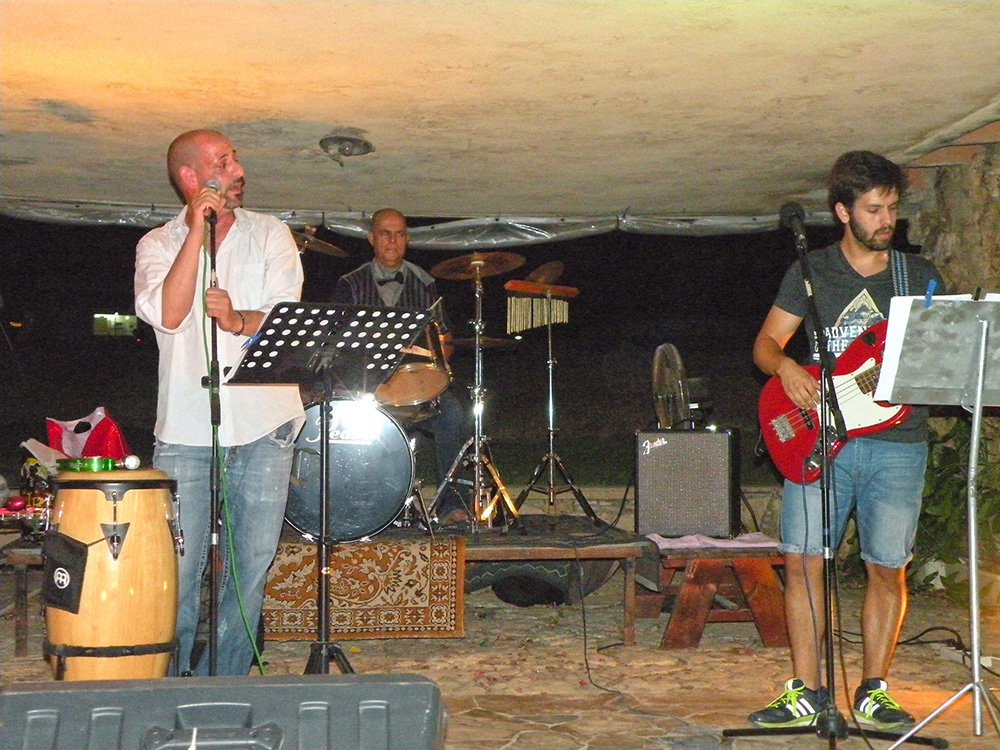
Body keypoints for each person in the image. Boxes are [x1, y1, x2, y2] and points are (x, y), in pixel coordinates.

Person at [749, 151, 945, 730]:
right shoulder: (810, 271)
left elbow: (941, 353)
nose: (886, 220)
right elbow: (765, 345)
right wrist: (787, 367)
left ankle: (874, 689)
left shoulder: (919, 275)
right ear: (843, 212)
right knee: (804, 560)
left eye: (892, 208)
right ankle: (805, 691)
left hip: (898, 440)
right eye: (873, 209)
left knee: (887, 566)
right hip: (821, 434)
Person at [134, 129, 305, 676]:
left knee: (248, 568)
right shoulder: (156, 244)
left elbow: (286, 319)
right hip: (186, 428)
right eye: (224, 162)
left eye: (235, 160)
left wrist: (236, 320)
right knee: (179, 570)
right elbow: (169, 314)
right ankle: (174, 683)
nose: (239, 170)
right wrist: (194, 234)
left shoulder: (271, 233)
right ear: (191, 178)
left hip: (265, 423)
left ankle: (229, 682)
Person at [330, 208, 472, 524]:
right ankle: (364, 507)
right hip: (368, 387)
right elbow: (336, 343)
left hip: (416, 385)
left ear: (406, 239)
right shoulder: (350, 284)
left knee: (453, 414)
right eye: (385, 233)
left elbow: (444, 338)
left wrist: (434, 367)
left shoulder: (425, 282)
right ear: (372, 238)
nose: (393, 241)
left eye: (399, 234)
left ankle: (452, 504)